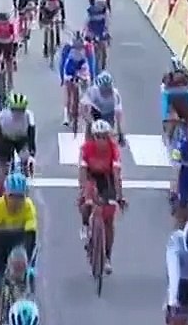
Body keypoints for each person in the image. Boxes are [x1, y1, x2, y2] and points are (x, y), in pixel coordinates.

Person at [0, 173, 39, 325]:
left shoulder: (28, 207)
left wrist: (28, 263)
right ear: (5, 194)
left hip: (18, 245)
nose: (17, 201)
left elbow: (30, 237)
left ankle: (20, 307)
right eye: (13, 197)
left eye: (21, 197)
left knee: (22, 273)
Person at [77, 118, 125, 273]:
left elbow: (117, 175)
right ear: (93, 137)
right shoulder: (86, 148)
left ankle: (107, 257)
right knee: (87, 201)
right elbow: (83, 174)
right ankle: (85, 225)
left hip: (107, 177)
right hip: (92, 176)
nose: (102, 140)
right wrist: (83, 192)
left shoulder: (114, 149)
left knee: (109, 220)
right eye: (98, 137)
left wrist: (119, 196)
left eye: (105, 137)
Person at [0, 93, 37, 181]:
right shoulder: (2, 117)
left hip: (22, 139)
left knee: (25, 158)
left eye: (21, 110)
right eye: (15, 110)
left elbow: (31, 136)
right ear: (10, 110)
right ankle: (2, 188)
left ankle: (25, 179)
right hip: (5, 139)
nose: (18, 113)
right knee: (3, 166)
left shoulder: (29, 116)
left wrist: (31, 155)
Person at [58, 31, 97, 127]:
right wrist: (63, 77)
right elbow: (63, 63)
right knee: (69, 91)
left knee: (81, 91)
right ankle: (67, 114)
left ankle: (81, 110)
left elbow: (91, 62)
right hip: (71, 68)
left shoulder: (87, 46)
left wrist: (92, 77)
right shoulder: (68, 47)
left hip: (81, 68)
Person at [162, 59, 188, 144]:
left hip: (184, 102)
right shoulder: (168, 76)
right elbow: (164, 92)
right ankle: (169, 138)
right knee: (174, 119)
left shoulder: (184, 77)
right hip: (173, 103)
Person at [81, 71, 125, 142]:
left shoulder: (115, 94)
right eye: (103, 89)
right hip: (96, 110)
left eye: (108, 89)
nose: (106, 92)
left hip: (109, 112)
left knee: (109, 133)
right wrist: (88, 120)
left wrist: (120, 132)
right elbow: (83, 107)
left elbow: (118, 113)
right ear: (98, 87)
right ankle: (87, 144)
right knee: (90, 125)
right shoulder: (92, 91)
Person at [85, 0, 110, 68]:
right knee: (89, 49)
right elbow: (86, 22)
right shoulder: (91, 11)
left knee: (104, 49)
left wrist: (106, 32)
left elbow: (107, 22)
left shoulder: (106, 12)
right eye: (99, 4)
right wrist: (86, 33)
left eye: (102, 4)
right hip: (92, 31)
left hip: (102, 31)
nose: (101, 6)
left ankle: (103, 66)